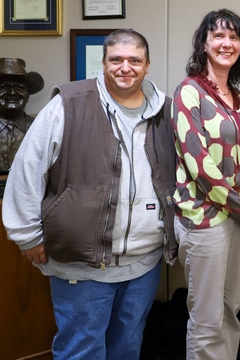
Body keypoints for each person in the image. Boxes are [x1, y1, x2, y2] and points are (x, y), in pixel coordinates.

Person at [2, 29, 177, 359]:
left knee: (127, 347)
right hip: (82, 265)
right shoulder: (69, 104)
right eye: (116, 59)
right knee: (81, 350)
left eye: (134, 60)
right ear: (104, 62)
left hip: (144, 262)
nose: (125, 67)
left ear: (147, 65)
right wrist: (26, 235)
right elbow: (27, 169)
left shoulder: (165, 112)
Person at [172, 9, 240, 360]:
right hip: (205, 220)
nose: (226, 43)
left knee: (230, 310)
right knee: (207, 319)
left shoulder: (239, 100)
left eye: (234, 37)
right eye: (218, 36)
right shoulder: (189, 92)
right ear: (204, 43)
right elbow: (199, 164)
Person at [0, 58, 44, 172]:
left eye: (19, 87)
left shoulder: (40, 129)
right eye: (3, 87)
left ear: (28, 96)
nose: (12, 92)